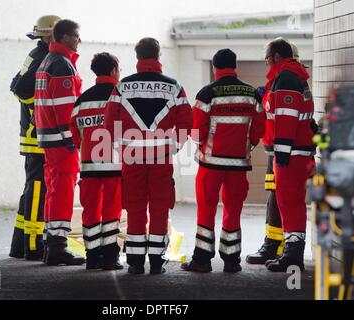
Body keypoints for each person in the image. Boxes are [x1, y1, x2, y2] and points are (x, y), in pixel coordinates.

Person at [104, 38, 192, 274]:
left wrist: (121, 147)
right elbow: (186, 121)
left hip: (131, 158)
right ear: (158, 56)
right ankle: (156, 260)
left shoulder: (121, 87)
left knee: (134, 206)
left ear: (137, 57)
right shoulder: (174, 87)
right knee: (160, 206)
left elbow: (110, 122)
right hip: (161, 157)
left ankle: (134, 262)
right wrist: (174, 146)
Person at [180, 49, 265, 273]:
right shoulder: (252, 93)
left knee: (206, 211)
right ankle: (231, 260)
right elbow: (259, 128)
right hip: (238, 165)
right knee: (233, 211)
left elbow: (196, 131)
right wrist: (248, 146)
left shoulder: (207, 93)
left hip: (210, 164)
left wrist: (201, 146)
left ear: (215, 68)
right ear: (234, 66)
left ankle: (202, 260)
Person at [246, 42, 315, 266]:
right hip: (294, 150)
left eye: (266, 58)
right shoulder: (289, 76)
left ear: (276, 56)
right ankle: (291, 254)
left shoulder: (286, 78)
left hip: (290, 152)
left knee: (289, 201)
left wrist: (282, 152)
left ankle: (293, 256)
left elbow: (286, 116)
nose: (265, 62)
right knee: (288, 201)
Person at [34, 19, 85, 266]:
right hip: (61, 141)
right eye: (75, 35)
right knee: (63, 191)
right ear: (64, 37)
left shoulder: (48, 62)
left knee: (54, 190)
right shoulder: (62, 65)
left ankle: (51, 244)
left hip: (49, 139)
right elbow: (65, 109)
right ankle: (57, 248)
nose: (79, 40)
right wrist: (72, 140)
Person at [9, 15, 60, 261]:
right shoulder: (43, 58)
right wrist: (38, 111)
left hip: (33, 135)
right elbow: (20, 89)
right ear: (49, 36)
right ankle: (33, 245)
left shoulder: (37, 53)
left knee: (32, 191)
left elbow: (15, 85)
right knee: (38, 191)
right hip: (37, 136)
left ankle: (19, 246)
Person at [70, 52, 123, 270]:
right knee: (111, 212)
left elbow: (75, 134)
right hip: (115, 165)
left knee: (90, 211)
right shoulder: (120, 95)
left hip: (89, 166)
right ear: (113, 70)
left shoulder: (82, 100)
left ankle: (92, 257)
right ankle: (111, 258)